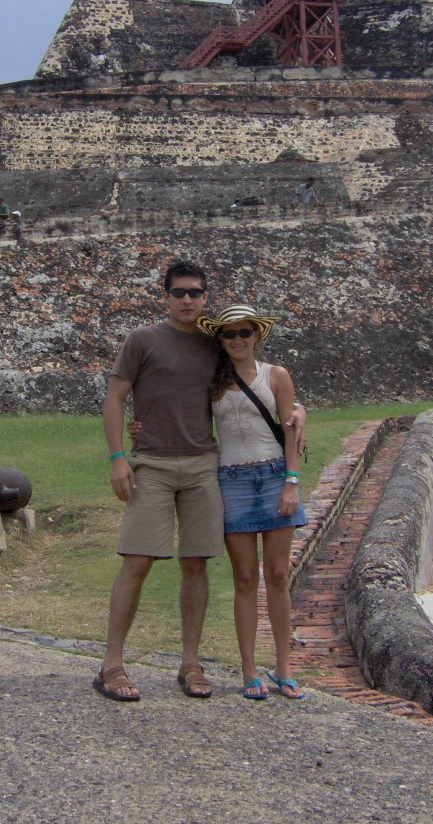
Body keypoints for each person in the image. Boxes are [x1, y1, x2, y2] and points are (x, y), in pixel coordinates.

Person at [95, 259, 306, 702]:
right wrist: (118, 456)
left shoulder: (216, 347)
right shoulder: (143, 339)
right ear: (166, 296)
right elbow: (115, 397)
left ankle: (191, 663)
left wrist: (298, 411)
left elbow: (261, 383)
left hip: (204, 466)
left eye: (195, 292)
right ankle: (111, 664)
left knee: (196, 563)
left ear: (205, 298)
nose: (187, 299)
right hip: (151, 463)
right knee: (137, 559)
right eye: (179, 292)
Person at [197, 304, 307, 700]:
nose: (238, 340)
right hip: (233, 480)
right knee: (244, 578)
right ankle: (248, 669)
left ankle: (283, 666)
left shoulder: (274, 375)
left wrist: (291, 482)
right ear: (220, 339)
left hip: (275, 474)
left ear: (256, 335)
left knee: (278, 576)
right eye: (230, 334)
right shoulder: (212, 382)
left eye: (245, 332)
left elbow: (290, 426)